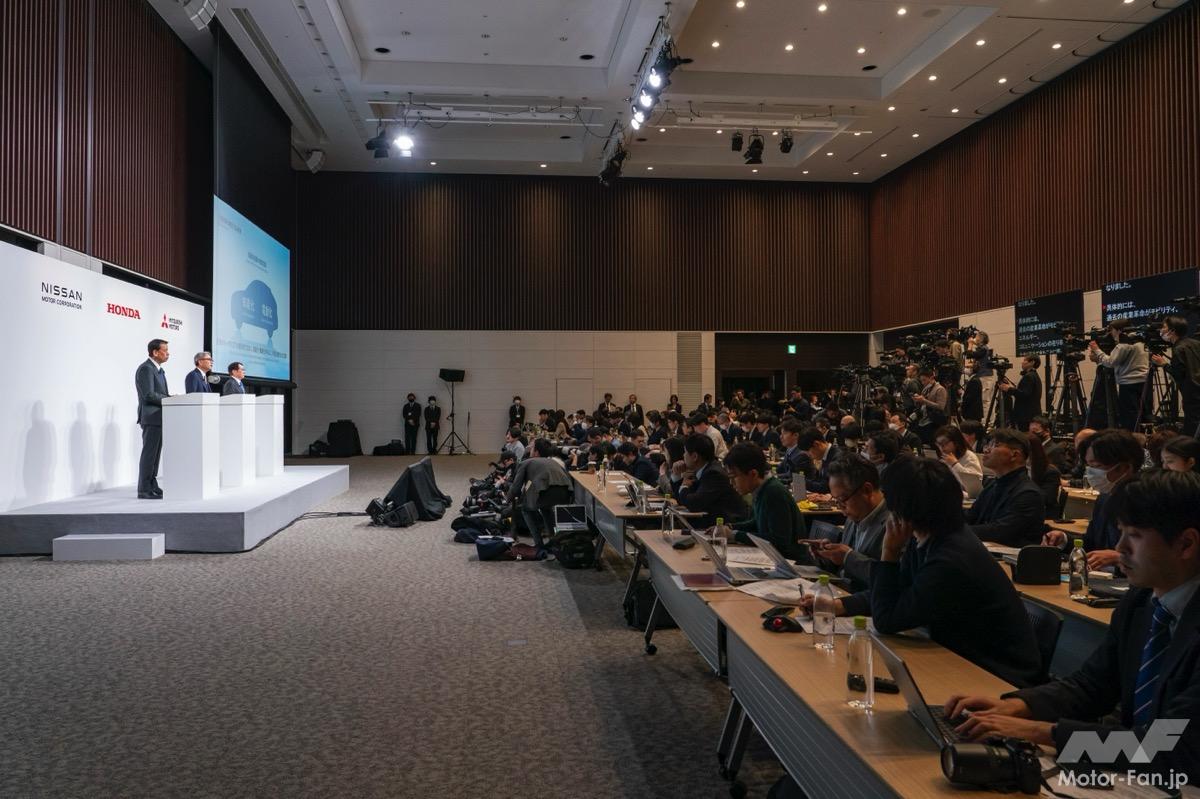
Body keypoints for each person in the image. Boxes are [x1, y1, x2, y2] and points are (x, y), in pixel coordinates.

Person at [946, 470, 1200, 783]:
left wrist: (1045, 733)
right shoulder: (1142, 600)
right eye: (1120, 532)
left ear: (1186, 544)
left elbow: (1171, 749)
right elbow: (1091, 685)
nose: (1119, 547)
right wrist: (1017, 706)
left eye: (1134, 535)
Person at [821, 457, 1042, 688]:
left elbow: (887, 620)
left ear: (903, 509)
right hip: (959, 658)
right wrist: (841, 605)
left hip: (996, 676)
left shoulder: (950, 559)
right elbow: (901, 590)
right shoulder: (934, 537)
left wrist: (889, 553)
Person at [1045, 429, 1144, 570]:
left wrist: (1119, 558)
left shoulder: (1146, 501)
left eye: (1097, 466)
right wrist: (1064, 540)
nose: (1091, 472)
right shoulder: (1104, 497)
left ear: (1124, 467)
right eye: (1089, 466)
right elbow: (1091, 543)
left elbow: (1160, 557)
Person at [807, 457, 890, 592]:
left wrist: (847, 557)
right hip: (840, 592)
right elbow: (844, 568)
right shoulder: (854, 514)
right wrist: (828, 555)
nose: (840, 508)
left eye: (842, 500)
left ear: (867, 490)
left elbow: (891, 578)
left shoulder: (895, 523)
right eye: (836, 501)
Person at [722, 443, 810, 562]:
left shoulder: (773, 492)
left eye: (734, 477)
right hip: (775, 559)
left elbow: (779, 541)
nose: (731, 483)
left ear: (753, 474)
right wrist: (731, 528)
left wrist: (735, 535)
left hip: (791, 563)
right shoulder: (762, 489)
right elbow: (757, 522)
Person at [965, 429, 1046, 546]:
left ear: (1014, 455)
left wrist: (955, 531)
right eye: (988, 445)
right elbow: (971, 516)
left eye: (995, 445)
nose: (986, 450)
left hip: (1008, 554)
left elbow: (1000, 532)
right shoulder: (993, 485)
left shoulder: (1028, 494)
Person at [505, 438, 573, 550]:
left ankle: (538, 544)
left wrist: (508, 499)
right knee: (546, 509)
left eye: (532, 448)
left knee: (525, 509)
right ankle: (553, 540)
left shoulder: (526, 462)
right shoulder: (554, 462)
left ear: (536, 452)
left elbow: (515, 488)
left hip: (545, 492)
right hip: (566, 493)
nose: (530, 450)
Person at [669, 434, 747, 527]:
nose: (683, 455)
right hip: (710, 523)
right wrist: (677, 476)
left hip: (728, 525)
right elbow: (683, 500)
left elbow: (694, 504)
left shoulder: (713, 473)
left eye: (685, 452)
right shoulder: (702, 470)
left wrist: (684, 486)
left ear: (695, 456)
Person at [1088, 318, 1149, 431]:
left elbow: (1110, 362)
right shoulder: (1140, 340)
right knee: (1140, 412)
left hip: (1128, 383)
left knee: (1129, 415)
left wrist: (1097, 350)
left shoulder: (1124, 343)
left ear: (1119, 330)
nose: (1111, 334)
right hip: (1143, 381)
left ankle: (1130, 437)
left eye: (1112, 331)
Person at [1153, 315, 1200, 436]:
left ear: (1172, 331)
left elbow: (1178, 374)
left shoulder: (1178, 348)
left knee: (1192, 426)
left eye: (1164, 327)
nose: (1161, 330)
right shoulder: (1196, 343)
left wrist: (1163, 364)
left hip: (1192, 393)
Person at [135, 339, 170, 499]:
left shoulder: (159, 370)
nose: (168, 353)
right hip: (151, 417)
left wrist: (169, 398)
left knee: (155, 455)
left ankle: (152, 484)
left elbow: (160, 394)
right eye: (165, 350)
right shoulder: (146, 369)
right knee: (149, 454)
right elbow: (148, 395)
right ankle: (144, 489)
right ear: (155, 352)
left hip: (159, 417)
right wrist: (169, 399)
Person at [934, 425, 984, 499]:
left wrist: (955, 464)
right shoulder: (943, 459)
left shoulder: (969, 456)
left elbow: (975, 489)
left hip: (967, 499)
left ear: (956, 442)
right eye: (939, 444)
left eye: (945, 443)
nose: (941, 448)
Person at [999, 354, 1042, 431]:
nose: (1022, 362)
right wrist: (1012, 388)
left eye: (1025, 360)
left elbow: (1024, 394)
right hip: (1031, 414)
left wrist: (1009, 389)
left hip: (1026, 415)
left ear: (1032, 362)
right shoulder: (1034, 375)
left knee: (1024, 435)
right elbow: (1027, 392)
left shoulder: (1029, 376)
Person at [797, 427, 842, 495]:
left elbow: (827, 487)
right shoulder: (825, 455)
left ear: (816, 444)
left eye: (808, 451)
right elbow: (820, 481)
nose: (809, 455)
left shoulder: (837, 458)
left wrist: (802, 482)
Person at [911, 367, 949, 445]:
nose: (922, 382)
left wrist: (924, 400)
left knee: (934, 444)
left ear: (931, 378)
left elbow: (941, 406)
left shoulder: (940, 389)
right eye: (921, 380)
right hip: (923, 420)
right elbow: (922, 404)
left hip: (933, 422)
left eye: (924, 380)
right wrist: (917, 400)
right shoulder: (925, 388)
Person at [960, 357, 984, 422]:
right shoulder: (974, 379)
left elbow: (969, 397)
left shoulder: (974, 381)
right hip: (972, 412)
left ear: (972, 369)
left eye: (968, 367)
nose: (965, 369)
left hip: (973, 413)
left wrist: (962, 406)